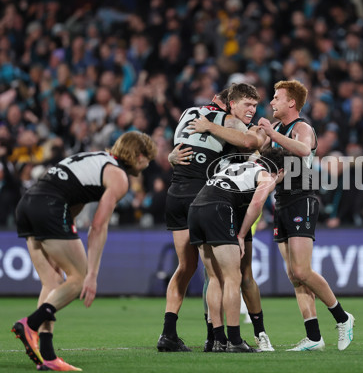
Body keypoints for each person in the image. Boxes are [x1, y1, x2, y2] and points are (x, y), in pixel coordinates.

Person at [12, 131, 156, 371]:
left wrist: (62, 241)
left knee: (53, 281)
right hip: (49, 207)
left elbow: (74, 203)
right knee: (78, 279)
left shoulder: (95, 158)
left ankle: (47, 357)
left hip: (27, 205)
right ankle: (31, 323)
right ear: (139, 156)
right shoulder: (118, 176)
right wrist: (92, 274)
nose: (148, 164)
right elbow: (98, 226)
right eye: (148, 158)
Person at [158, 83, 273, 352]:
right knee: (219, 273)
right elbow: (251, 142)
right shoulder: (226, 119)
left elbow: (180, 149)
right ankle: (218, 337)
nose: (250, 112)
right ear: (228, 103)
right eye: (246, 105)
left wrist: (170, 156)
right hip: (204, 195)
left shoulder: (188, 113)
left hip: (176, 193)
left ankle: (168, 333)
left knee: (185, 268)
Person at [258, 80, 354, 351]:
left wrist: (270, 135)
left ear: (291, 103)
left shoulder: (302, 127)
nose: (272, 102)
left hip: (303, 199)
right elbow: (260, 157)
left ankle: (343, 318)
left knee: (302, 269)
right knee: (293, 275)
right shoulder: (275, 129)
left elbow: (303, 150)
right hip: (282, 201)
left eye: (277, 98)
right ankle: (314, 337)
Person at [188, 147, 288, 352]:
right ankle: (234, 340)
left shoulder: (239, 166)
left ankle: (217, 340)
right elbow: (257, 202)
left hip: (196, 208)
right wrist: (241, 235)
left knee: (214, 278)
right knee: (233, 277)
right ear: (281, 171)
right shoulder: (267, 176)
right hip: (218, 209)